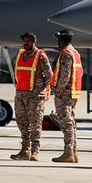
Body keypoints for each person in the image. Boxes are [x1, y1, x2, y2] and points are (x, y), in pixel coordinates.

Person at [10, 32, 53, 161]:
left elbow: (49, 76)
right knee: (22, 124)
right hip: (20, 95)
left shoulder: (40, 56)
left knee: (35, 125)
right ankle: (25, 150)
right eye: (24, 41)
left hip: (34, 97)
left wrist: (39, 89)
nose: (25, 43)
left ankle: (35, 151)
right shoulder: (20, 54)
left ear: (34, 42)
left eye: (28, 41)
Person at [51, 29, 83, 164]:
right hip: (73, 92)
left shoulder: (66, 53)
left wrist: (58, 91)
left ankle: (68, 153)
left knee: (66, 123)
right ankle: (73, 153)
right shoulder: (75, 53)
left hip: (65, 93)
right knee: (71, 122)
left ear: (62, 40)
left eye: (58, 39)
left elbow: (65, 75)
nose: (57, 42)